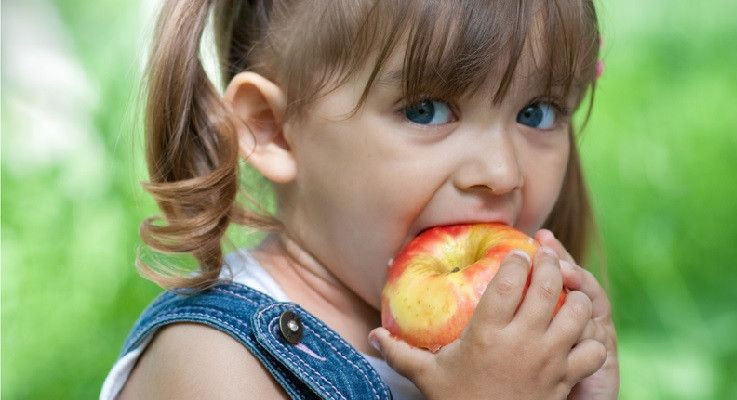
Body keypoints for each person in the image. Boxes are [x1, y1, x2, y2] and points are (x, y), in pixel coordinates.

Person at [101, 0, 619, 398]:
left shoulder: (505, 350)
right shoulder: (214, 362)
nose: (501, 173)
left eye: (537, 113)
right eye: (426, 111)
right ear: (274, 129)